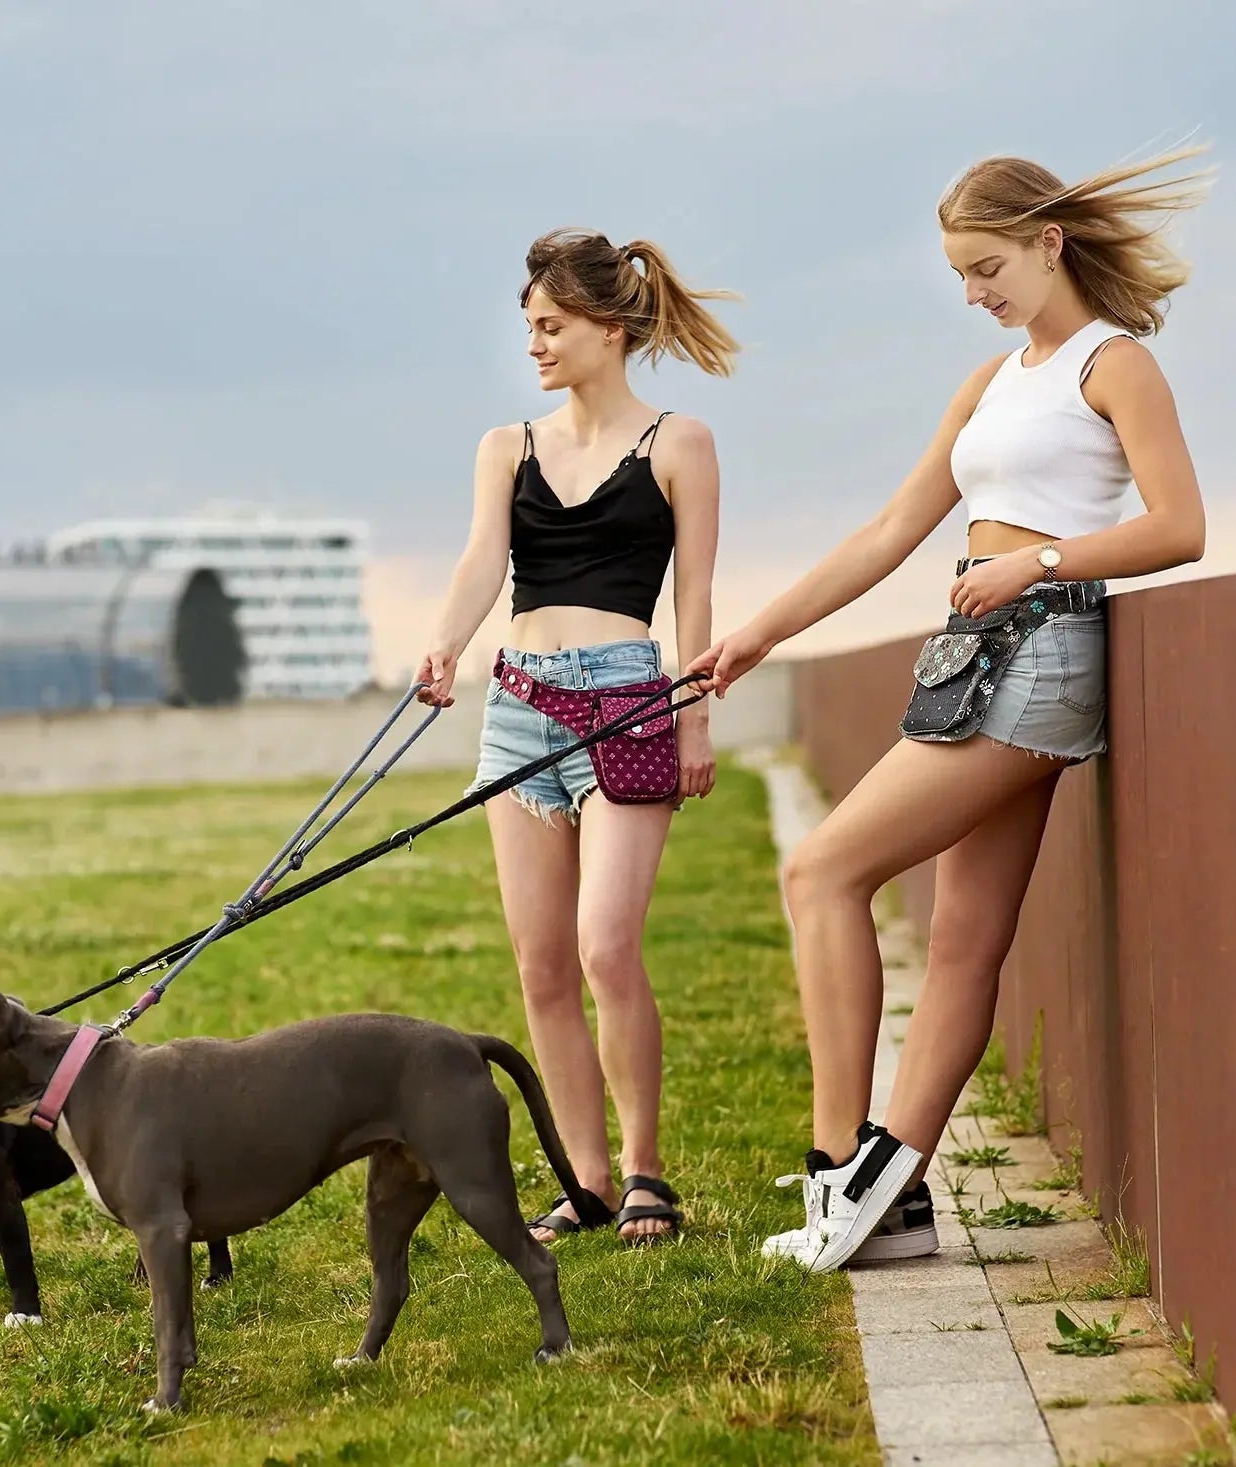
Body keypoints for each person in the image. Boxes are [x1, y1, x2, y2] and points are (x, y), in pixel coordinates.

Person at [690, 149, 1211, 1271]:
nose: (974, 293)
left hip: (1042, 646)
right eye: (960, 277)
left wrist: (1040, 563)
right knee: (967, 941)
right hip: (972, 655)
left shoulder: (1113, 366)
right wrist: (760, 632)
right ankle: (896, 1203)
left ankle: (844, 1171)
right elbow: (890, 532)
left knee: (821, 870)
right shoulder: (987, 383)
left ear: (1046, 242)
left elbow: (1180, 527)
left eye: (986, 268)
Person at [416, 228, 736, 1245]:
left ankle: (646, 1173)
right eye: (529, 330)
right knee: (543, 964)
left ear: (608, 327)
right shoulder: (505, 446)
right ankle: (587, 1180)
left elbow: (696, 599)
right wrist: (444, 644)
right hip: (518, 709)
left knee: (606, 947)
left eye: (552, 328)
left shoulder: (679, 444)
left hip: (629, 702)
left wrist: (693, 717)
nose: (536, 346)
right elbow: (482, 561)